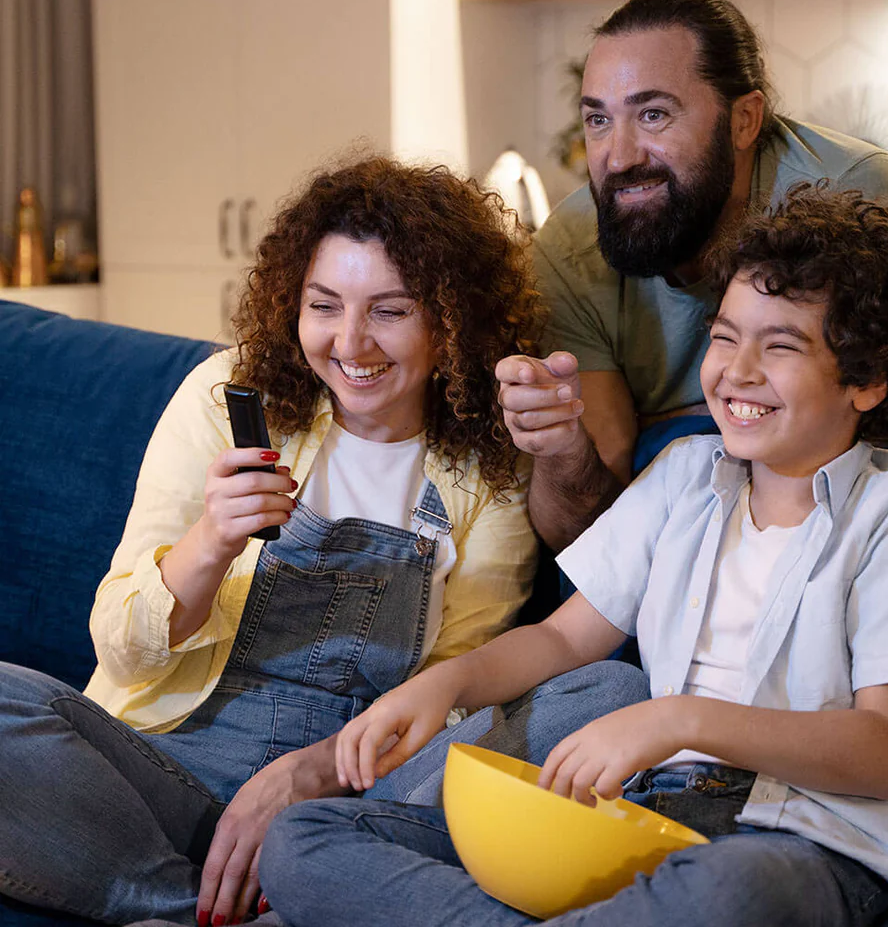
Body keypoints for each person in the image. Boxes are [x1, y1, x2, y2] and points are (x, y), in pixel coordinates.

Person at [257, 184, 888, 927]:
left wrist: (678, 721)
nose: (737, 372)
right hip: (654, 817)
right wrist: (439, 689)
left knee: (729, 892)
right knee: (304, 839)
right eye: (724, 336)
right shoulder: (684, 476)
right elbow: (562, 637)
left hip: (812, 840)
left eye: (780, 347)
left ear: (866, 380)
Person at [0, 157, 544, 927]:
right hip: (159, 774)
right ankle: (191, 903)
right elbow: (119, 647)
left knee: (578, 702)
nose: (350, 342)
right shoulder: (226, 397)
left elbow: (450, 696)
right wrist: (211, 541)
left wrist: (312, 774)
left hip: (336, 802)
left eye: (389, 311)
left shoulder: (488, 462)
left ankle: (286, 882)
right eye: (324, 305)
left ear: (453, 321)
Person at [496, 0, 888, 554]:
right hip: (670, 563)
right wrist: (562, 451)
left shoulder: (861, 194)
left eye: (653, 115)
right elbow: (593, 536)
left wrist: (675, 424)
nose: (618, 157)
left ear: (744, 120)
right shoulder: (570, 246)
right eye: (598, 121)